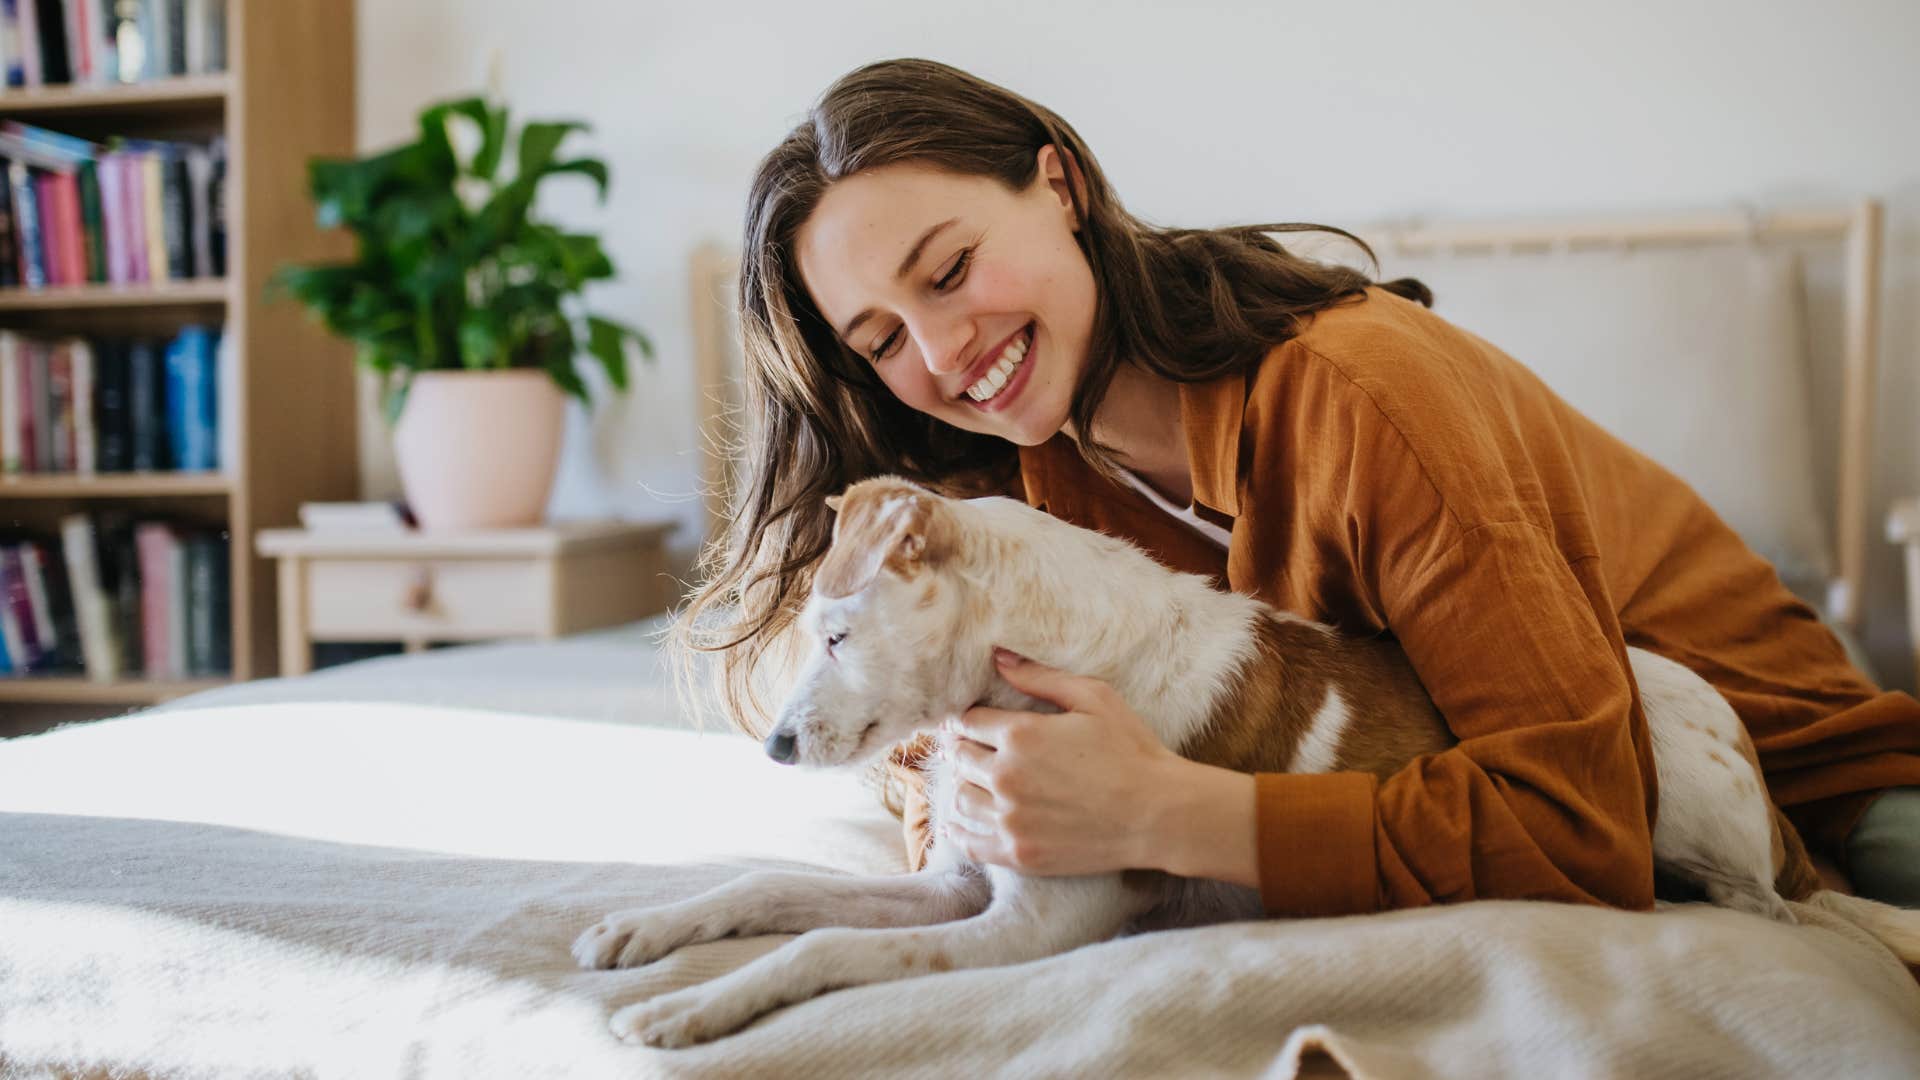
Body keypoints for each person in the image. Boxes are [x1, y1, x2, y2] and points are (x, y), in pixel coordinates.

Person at [674, 57, 1920, 916]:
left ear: (1059, 186)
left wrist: (1172, 818)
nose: (940, 354)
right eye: (882, 341)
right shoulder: (1032, 496)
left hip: (1809, 781)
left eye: (948, 270)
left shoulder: (1364, 398)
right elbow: (940, 750)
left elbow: (1581, 816)